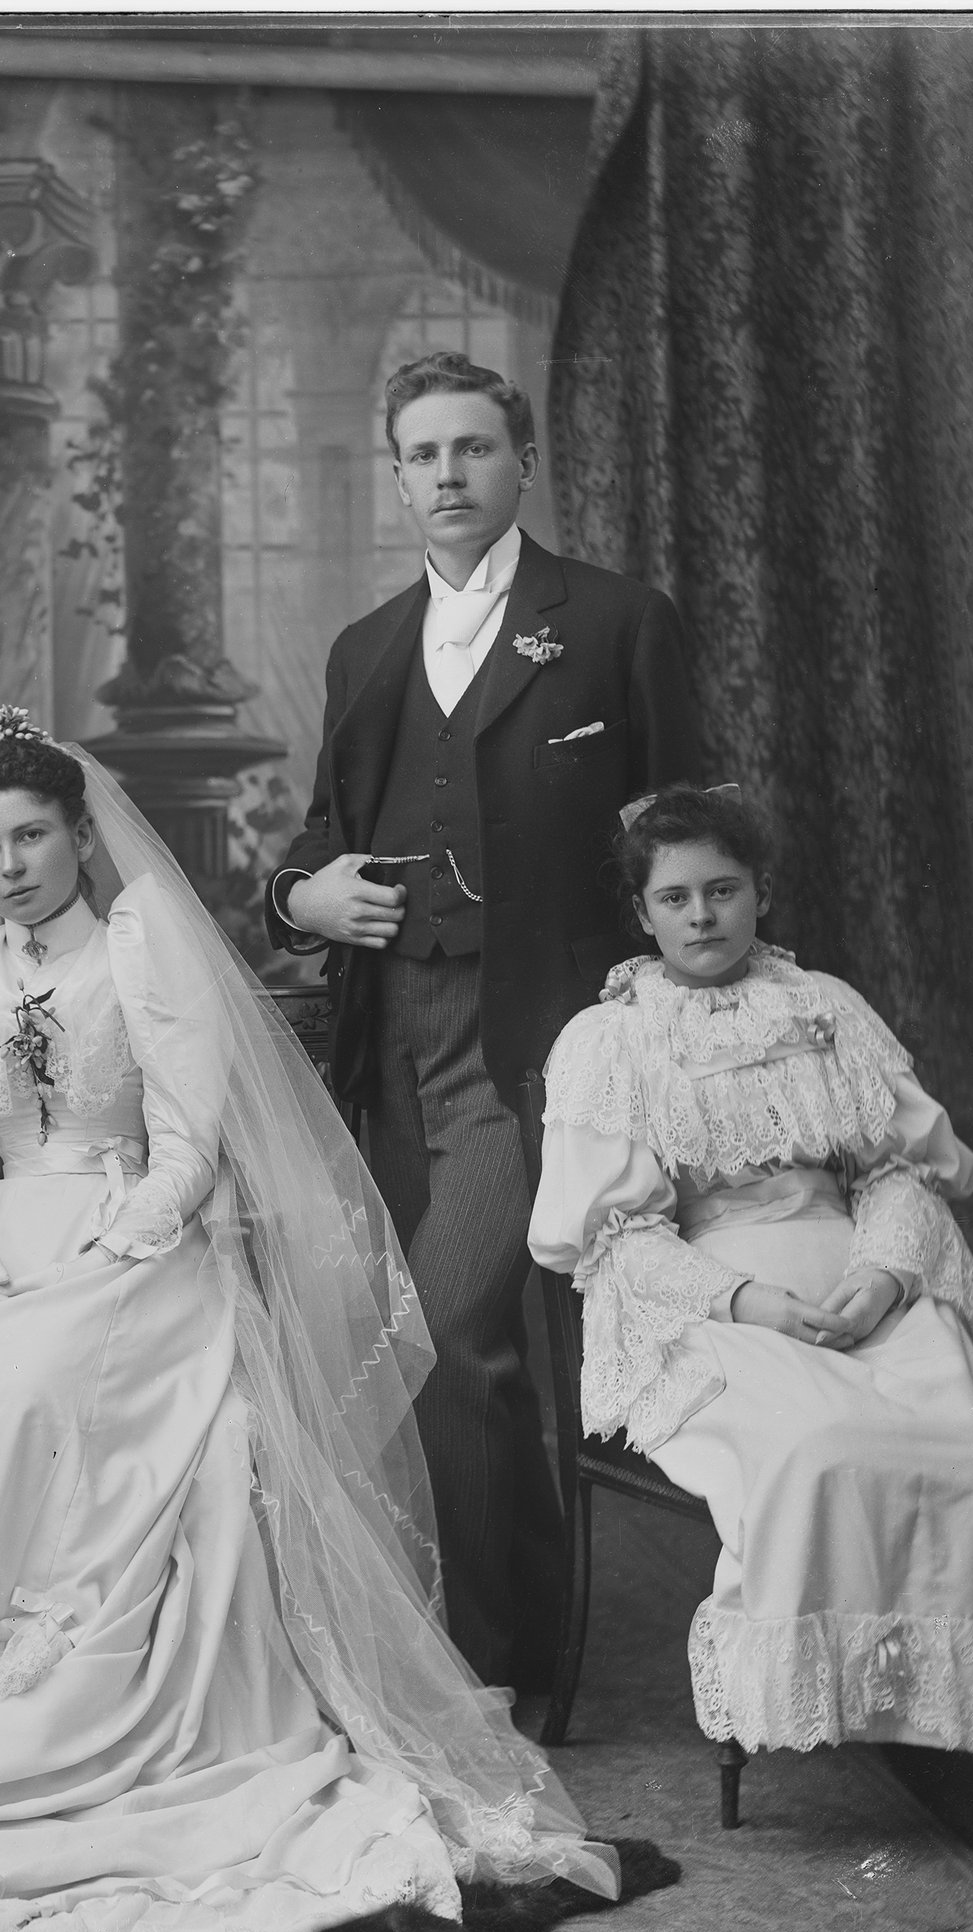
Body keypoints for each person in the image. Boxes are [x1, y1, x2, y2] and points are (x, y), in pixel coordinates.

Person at [0, 711, 617, 1932]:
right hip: (2, 1231)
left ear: (78, 833)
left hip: (136, 1240)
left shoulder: (142, 942)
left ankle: (48, 1701)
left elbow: (191, 1139)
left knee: (37, 1383)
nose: (9, 866)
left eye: (32, 835)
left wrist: (128, 1227)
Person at [528, 783, 973, 1908]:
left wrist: (883, 1275)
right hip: (715, 1296)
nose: (702, 918)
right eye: (675, 897)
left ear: (759, 893)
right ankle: (862, 1698)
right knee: (820, 1444)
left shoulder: (823, 1004)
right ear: (642, 914)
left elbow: (896, 1170)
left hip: (856, 1268)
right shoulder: (611, 1036)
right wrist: (748, 1301)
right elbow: (609, 1241)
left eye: (722, 891)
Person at [265, 350, 700, 1693]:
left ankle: (502, 1671)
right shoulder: (366, 652)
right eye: (423, 455)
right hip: (392, 1039)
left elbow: (688, 839)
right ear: (396, 477)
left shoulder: (618, 623)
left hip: (547, 1049)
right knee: (385, 1340)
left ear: (520, 463)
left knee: (457, 1331)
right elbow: (321, 842)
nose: (449, 473)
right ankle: (427, 1644)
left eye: (473, 449)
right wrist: (301, 898)